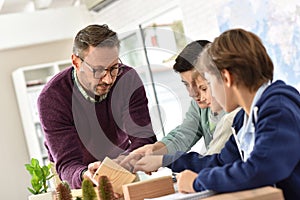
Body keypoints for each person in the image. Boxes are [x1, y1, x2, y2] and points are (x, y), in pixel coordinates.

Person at [132, 28, 300, 200]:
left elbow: (260, 169)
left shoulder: (278, 108)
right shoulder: (244, 119)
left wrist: (197, 182)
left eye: (209, 83)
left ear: (226, 78)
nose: (208, 92)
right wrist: (166, 160)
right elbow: (220, 162)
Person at [37, 24, 157, 189]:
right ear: (76, 62)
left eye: (114, 68)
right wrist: (83, 174)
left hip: (121, 160)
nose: (108, 79)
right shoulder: (52, 98)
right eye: (98, 70)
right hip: (75, 172)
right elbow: (67, 163)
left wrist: (127, 161)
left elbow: (143, 137)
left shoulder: (127, 80)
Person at [119, 40, 239, 168]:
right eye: (186, 85)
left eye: (202, 87)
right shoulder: (200, 106)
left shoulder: (233, 113)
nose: (193, 93)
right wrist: (154, 149)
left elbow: (212, 161)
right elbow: (183, 135)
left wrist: (164, 161)